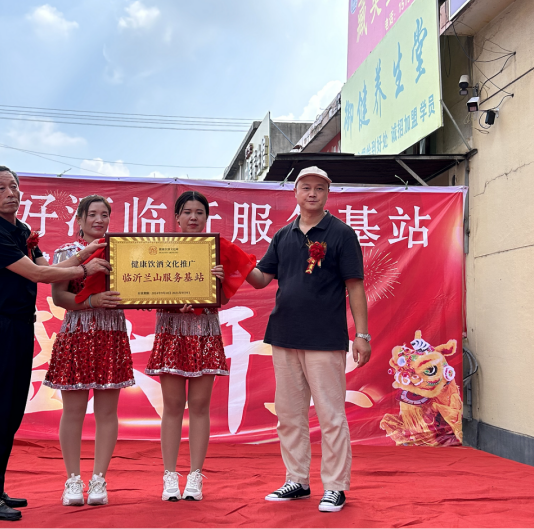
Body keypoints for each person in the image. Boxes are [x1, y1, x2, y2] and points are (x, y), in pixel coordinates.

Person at [0, 165, 108, 521]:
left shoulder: (21, 230)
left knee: (10, 412)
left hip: (20, 327)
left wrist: (86, 253)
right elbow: (38, 274)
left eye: (14, 186)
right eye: (1, 188)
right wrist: (84, 269)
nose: (10, 193)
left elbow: (48, 264)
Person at [246, 166, 371, 513]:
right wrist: (233, 262)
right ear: (296, 193)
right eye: (306, 187)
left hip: (324, 338)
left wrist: (362, 335)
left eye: (319, 188)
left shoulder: (341, 233)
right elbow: (261, 278)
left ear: (327, 194)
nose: (312, 193)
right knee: (289, 414)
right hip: (284, 336)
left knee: (331, 415)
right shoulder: (282, 235)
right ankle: (297, 480)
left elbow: (355, 286)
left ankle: (335, 486)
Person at [145, 190, 255, 502]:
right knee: (172, 406)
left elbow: (225, 295)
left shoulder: (217, 249)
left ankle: (195, 475)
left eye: (199, 212)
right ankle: (169, 475)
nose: (193, 217)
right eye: (187, 212)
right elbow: (146, 287)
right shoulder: (160, 249)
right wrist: (169, 299)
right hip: (171, 328)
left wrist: (219, 279)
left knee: (200, 406)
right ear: (177, 218)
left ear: (207, 217)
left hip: (204, 329)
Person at [43, 195, 134, 507]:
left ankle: (99, 480)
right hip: (77, 335)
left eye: (104, 214)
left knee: (107, 412)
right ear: (79, 219)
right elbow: (59, 298)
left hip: (111, 335)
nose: (99, 220)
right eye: (92, 214)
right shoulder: (66, 253)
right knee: (73, 411)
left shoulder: (124, 252)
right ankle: (72, 480)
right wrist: (92, 301)